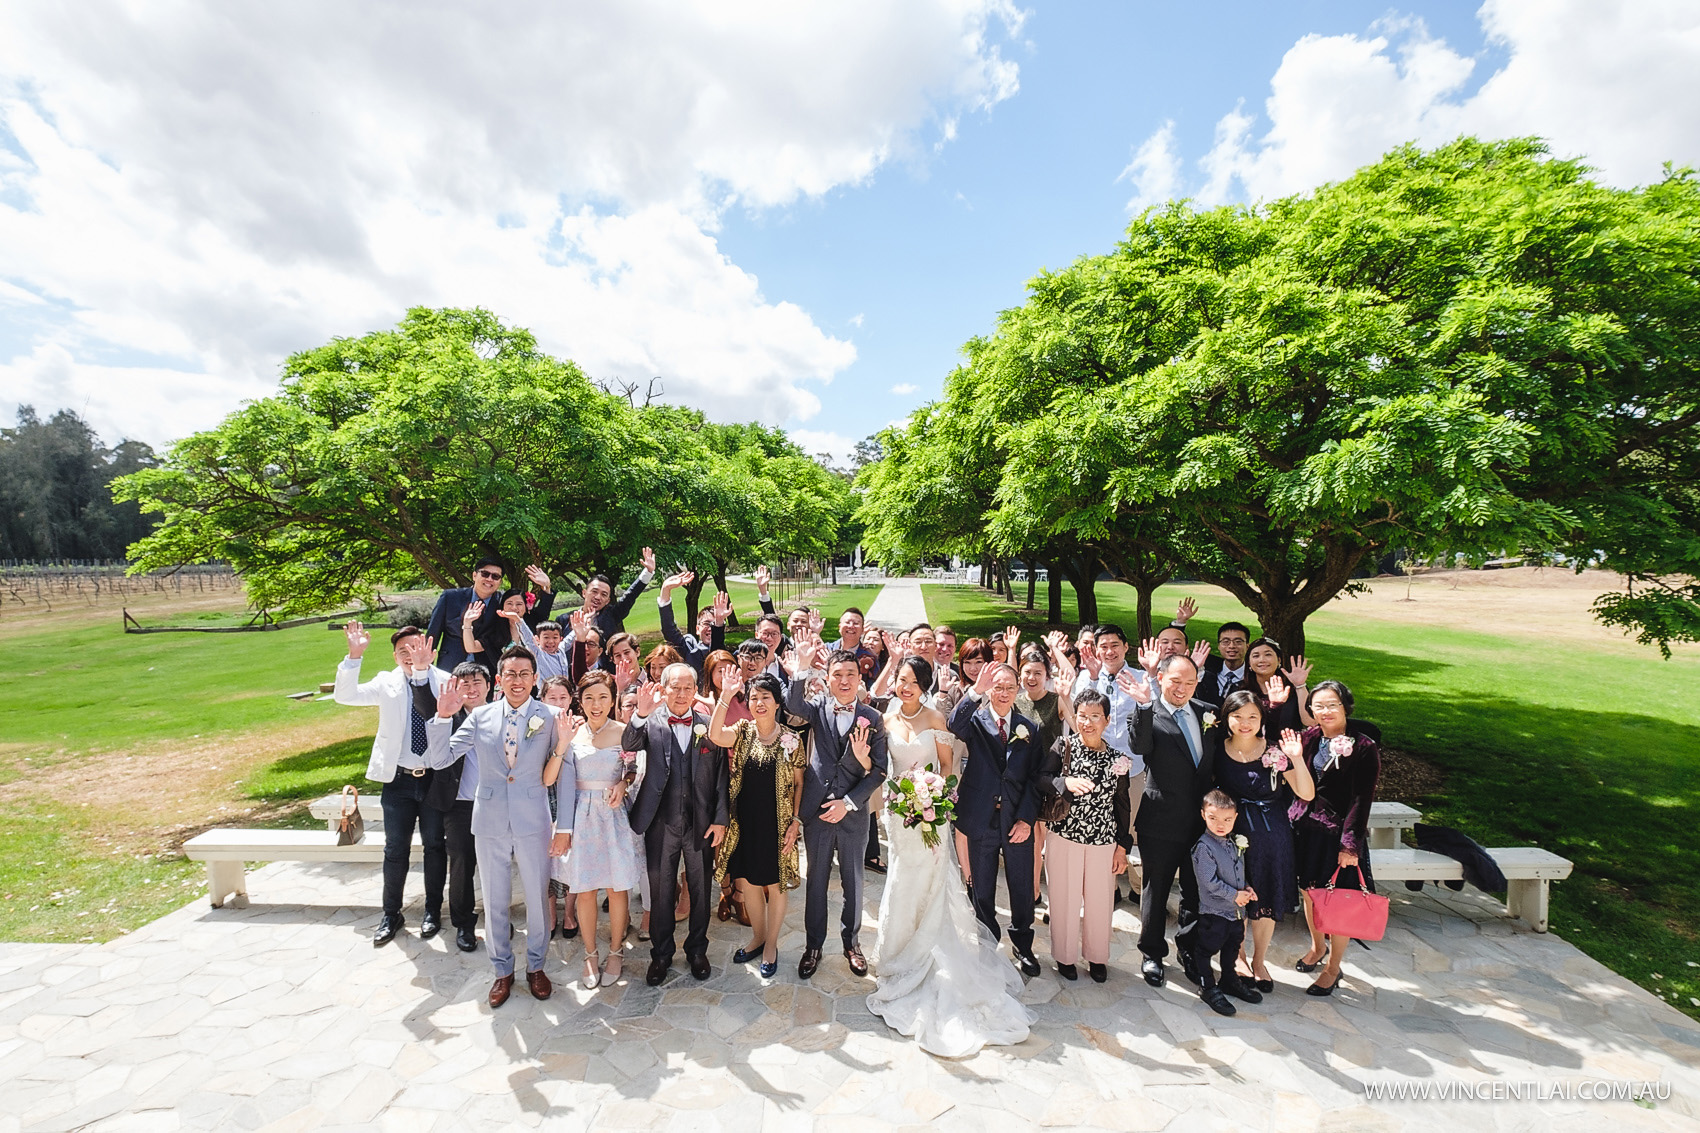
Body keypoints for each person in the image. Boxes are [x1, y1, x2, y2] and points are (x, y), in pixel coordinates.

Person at [866, 656, 1033, 1058]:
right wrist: (901, 797)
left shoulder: (937, 719)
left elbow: (946, 767)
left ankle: (928, 950)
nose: (904, 687)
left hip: (931, 812)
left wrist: (931, 796)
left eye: (912, 682)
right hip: (899, 815)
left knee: (933, 881)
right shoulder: (886, 721)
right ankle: (896, 949)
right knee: (902, 881)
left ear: (924, 685)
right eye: (901, 680)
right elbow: (883, 763)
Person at [433, 646, 577, 1008]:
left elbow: (566, 774)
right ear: (499, 679)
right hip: (490, 820)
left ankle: (536, 966)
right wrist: (440, 717)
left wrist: (565, 827)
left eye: (524, 674)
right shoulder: (479, 716)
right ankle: (502, 970)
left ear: (534, 678)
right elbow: (442, 758)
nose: (517, 681)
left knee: (537, 898)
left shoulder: (553, 715)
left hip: (534, 821)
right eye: (510, 674)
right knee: (495, 900)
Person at [334, 622, 453, 948]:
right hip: (398, 781)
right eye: (404, 651)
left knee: (434, 847)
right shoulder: (386, 683)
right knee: (395, 849)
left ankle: (432, 910)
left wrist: (424, 673)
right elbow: (345, 696)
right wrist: (354, 656)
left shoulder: (444, 681)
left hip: (432, 780)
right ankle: (392, 913)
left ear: (430, 649)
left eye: (417, 649)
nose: (411, 655)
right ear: (395, 655)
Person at [786, 644, 888, 980]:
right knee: (815, 880)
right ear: (827, 679)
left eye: (850, 675)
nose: (844, 681)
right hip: (816, 810)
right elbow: (792, 705)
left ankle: (852, 943)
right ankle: (813, 945)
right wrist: (801, 669)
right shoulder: (817, 707)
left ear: (860, 678)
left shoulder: (873, 719)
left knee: (853, 881)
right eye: (837, 675)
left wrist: (848, 803)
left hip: (853, 813)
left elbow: (879, 771)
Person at [624, 663, 730, 986]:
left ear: (695, 690)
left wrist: (721, 820)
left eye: (688, 688)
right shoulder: (651, 723)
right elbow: (628, 744)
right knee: (661, 892)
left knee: (700, 891)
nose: (682, 694)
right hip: (660, 822)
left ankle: (697, 949)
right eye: (675, 688)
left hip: (699, 824)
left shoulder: (708, 727)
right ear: (664, 688)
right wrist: (640, 715)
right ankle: (661, 953)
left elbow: (722, 777)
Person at [1211, 690, 1314, 993]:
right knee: (1238, 897)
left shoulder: (1274, 750)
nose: (1245, 723)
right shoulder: (1217, 749)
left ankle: (1259, 960)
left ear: (1261, 719)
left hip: (1273, 835)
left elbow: (1306, 793)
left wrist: (1296, 758)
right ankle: (1238, 955)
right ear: (1227, 717)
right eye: (1238, 716)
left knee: (1266, 898)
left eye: (1252, 717)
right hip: (1233, 834)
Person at [948, 661, 1044, 977]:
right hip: (980, 817)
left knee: (1020, 885)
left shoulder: (1029, 728)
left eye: (1009, 687)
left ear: (1018, 690)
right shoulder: (974, 720)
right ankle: (987, 941)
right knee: (982, 885)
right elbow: (953, 724)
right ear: (989, 688)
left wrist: (1027, 820)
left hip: (1016, 819)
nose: (1003, 693)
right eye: (997, 687)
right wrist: (975, 690)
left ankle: (1023, 944)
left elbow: (1034, 779)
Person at [708, 671, 805, 978]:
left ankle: (771, 945)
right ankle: (758, 938)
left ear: (777, 703)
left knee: (775, 884)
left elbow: (800, 785)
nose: (759, 703)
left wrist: (796, 821)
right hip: (745, 822)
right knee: (749, 881)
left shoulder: (791, 739)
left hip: (778, 825)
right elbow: (715, 735)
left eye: (766, 697)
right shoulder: (743, 730)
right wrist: (726, 694)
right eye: (753, 697)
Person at [1128, 652, 1216, 988]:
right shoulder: (1149, 712)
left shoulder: (1208, 713)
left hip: (1201, 823)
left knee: (1195, 891)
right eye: (1176, 681)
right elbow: (1140, 745)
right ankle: (1151, 952)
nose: (1182, 688)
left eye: (1190, 682)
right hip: (1161, 820)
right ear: (1160, 678)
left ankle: (1189, 950)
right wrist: (1143, 706)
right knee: (1156, 889)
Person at [1037, 689, 1137, 983]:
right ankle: (1064, 957)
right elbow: (1041, 779)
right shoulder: (1064, 746)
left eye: (1095, 717)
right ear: (1075, 717)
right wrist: (1064, 781)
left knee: (1099, 901)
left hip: (1103, 842)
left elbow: (1122, 805)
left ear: (1106, 720)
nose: (1088, 723)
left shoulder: (1119, 760)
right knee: (1063, 898)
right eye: (1082, 716)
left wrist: (1122, 847)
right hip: (1064, 836)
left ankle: (1096, 958)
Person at [1293, 680, 1381, 997]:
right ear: (1311, 710)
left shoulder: (1364, 747)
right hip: (1307, 831)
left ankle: (1333, 967)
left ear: (1345, 707)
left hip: (1340, 835)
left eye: (1333, 704)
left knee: (1339, 902)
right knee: (1310, 892)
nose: (1326, 711)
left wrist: (1349, 845)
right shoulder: (1309, 738)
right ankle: (1317, 947)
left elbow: (1362, 800)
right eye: (1319, 706)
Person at [560, 670, 644, 990]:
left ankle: (615, 951)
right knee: (584, 888)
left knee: (615, 887)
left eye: (603, 697)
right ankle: (590, 953)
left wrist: (623, 782)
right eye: (589, 697)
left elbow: (634, 769)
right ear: (580, 701)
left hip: (612, 816)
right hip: (581, 816)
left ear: (613, 700)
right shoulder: (573, 733)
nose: (596, 704)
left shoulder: (623, 732)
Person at [422, 661, 493, 953]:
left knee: (496, 866)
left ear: (489, 686)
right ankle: (463, 923)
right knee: (462, 865)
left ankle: (496, 919)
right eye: (465, 684)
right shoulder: (447, 717)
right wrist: (442, 713)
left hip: (498, 804)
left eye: (477, 682)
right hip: (461, 804)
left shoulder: (503, 715)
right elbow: (438, 757)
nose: (472, 689)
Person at [1186, 791, 1264, 1016]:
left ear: (1235, 817)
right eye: (1214, 818)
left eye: (1227, 820)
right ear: (1203, 815)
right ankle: (1207, 985)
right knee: (1206, 948)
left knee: (1232, 946)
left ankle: (1229, 979)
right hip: (1215, 912)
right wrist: (1233, 895)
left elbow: (1238, 873)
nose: (1220, 825)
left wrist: (1247, 889)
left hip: (1236, 912)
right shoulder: (1204, 847)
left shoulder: (1234, 842)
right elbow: (1208, 882)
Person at [539, 678, 581, 941]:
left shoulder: (580, 726)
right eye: (552, 698)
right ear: (542, 699)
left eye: (563, 697)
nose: (558, 703)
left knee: (571, 860)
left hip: (571, 800)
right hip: (542, 800)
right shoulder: (536, 727)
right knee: (546, 859)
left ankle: (570, 911)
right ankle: (550, 911)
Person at [556, 547, 656, 641]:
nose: (598, 597)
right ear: (584, 593)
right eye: (594, 591)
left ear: (608, 600)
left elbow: (630, 595)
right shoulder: (564, 620)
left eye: (604, 595)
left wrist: (648, 572)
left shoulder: (612, 615)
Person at [425, 558, 507, 672]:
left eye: (495, 576)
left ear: (500, 582)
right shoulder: (450, 597)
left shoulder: (503, 604)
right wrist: (425, 669)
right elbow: (432, 635)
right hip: (450, 665)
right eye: (485, 574)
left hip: (487, 669)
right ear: (474, 576)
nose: (489, 579)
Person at [657, 571, 729, 672]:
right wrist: (665, 590)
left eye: (714, 624)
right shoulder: (688, 652)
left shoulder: (727, 656)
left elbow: (716, 648)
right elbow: (669, 631)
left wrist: (719, 622)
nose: (710, 629)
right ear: (697, 629)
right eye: (706, 623)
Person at [1244, 637, 1315, 737]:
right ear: (1249, 663)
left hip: (1288, 746)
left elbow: (1310, 722)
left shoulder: (1293, 689)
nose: (1262, 660)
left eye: (1268, 654)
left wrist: (1300, 686)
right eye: (1256, 656)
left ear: (1279, 660)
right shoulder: (1240, 690)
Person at [1195, 621, 1251, 708]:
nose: (1232, 646)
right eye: (1226, 641)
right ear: (1219, 646)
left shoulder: (1253, 676)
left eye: (1238, 641)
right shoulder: (1206, 668)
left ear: (1247, 646)